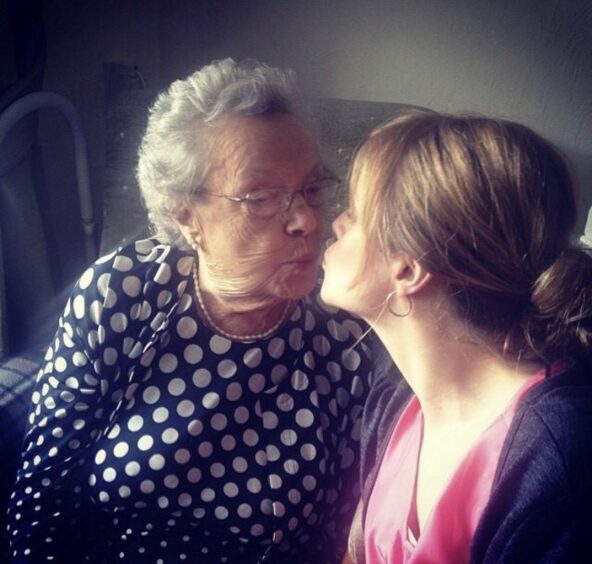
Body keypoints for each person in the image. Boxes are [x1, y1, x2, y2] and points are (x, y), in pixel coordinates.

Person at [7, 58, 373, 563]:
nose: (307, 219)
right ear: (187, 217)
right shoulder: (123, 294)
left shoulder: (346, 329)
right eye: (263, 197)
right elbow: (43, 495)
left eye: (312, 189)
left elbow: (349, 533)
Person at [321, 110, 592, 563]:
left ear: (407, 268)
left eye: (356, 210)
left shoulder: (561, 460)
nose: (337, 222)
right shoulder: (395, 400)